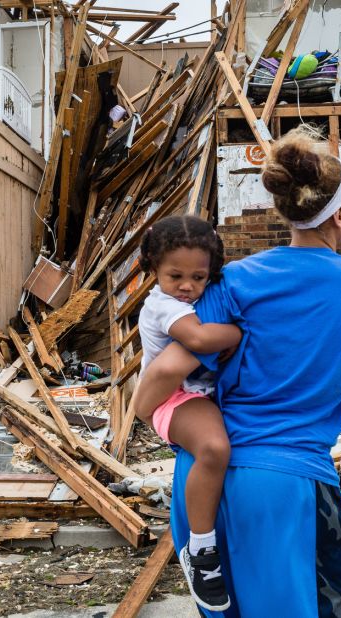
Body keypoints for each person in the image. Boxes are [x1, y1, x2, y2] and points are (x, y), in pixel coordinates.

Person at [133, 126, 341, 617]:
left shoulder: (233, 281)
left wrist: (146, 411)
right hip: (291, 485)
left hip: (205, 484)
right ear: (340, 214)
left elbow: (168, 366)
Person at [132, 215, 240, 611]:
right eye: (175, 275)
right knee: (214, 448)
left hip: (198, 394)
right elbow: (196, 338)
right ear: (153, 269)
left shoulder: (202, 296)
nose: (187, 286)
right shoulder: (163, 305)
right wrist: (237, 333)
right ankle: (201, 550)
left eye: (198, 277)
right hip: (172, 399)